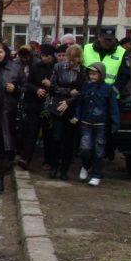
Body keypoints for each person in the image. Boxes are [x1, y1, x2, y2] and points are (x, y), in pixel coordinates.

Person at [0, 42, 24, 193]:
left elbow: (25, 88)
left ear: (6, 53)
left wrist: (16, 89)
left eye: (0, 52)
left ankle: (0, 178)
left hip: (8, 113)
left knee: (5, 148)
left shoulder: (15, 68)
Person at [74, 63, 120, 187]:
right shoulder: (86, 86)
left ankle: (96, 175)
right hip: (86, 121)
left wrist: (115, 123)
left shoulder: (108, 88)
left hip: (101, 123)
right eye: (90, 74)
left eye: (94, 74)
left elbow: (113, 107)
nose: (92, 76)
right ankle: (85, 165)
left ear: (101, 74)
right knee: (84, 148)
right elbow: (80, 103)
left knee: (98, 150)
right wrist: (77, 116)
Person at [46, 44, 85, 180]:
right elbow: (53, 86)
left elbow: (81, 91)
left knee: (69, 141)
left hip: (72, 108)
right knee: (56, 138)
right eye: (71, 57)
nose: (73, 61)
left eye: (76, 58)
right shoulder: (58, 67)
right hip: (58, 106)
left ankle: (64, 169)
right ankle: (54, 166)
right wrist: (68, 92)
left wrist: (70, 101)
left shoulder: (82, 71)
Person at [18, 43, 56, 170]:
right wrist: (37, 90)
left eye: (47, 56)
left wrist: (50, 85)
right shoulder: (36, 66)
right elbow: (28, 84)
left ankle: (48, 160)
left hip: (49, 105)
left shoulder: (56, 68)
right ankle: (26, 158)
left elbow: (60, 86)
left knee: (48, 134)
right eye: (42, 56)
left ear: (52, 56)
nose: (44, 58)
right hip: (34, 103)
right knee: (31, 132)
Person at [82, 26, 130, 96]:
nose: (108, 42)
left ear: (114, 39)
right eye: (105, 39)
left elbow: (125, 75)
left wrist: (114, 90)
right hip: (88, 93)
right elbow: (80, 70)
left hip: (109, 95)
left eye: (110, 40)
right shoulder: (86, 49)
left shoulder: (122, 52)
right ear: (99, 38)